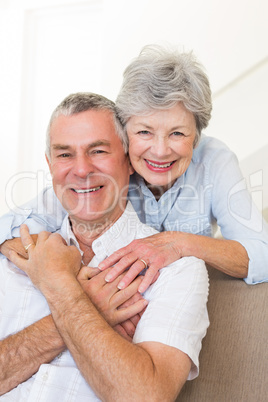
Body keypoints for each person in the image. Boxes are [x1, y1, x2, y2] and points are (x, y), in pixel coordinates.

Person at [1, 44, 267, 292]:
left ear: (196, 136)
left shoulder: (214, 160)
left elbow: (262, 254)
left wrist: (180, 243)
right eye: (144, 132)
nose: (160, 150)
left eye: (177, 133)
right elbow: (9, 227)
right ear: (125, 133)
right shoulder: (101, 175)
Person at [0, 92, 209, 401]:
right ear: (50, 165)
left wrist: (60, 286)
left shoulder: (176, 271)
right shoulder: (14, 256)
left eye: (97, 151)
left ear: (129, 161)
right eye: (64, 154)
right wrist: (88, 306)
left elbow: (144, 397)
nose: (82, 170)